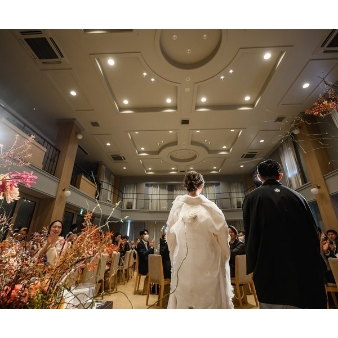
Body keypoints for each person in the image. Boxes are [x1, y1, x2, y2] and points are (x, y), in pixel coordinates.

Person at [242, 159, 327, 309]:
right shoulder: (298, 196)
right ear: (280, 176)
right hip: (304, 265)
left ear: (259, 177)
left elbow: (251, 234)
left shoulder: (251, 198)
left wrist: (253, 266)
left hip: (269, 265)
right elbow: (314, 233)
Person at [166, 171, 234, 309]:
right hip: (208, 259)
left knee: (185, 294)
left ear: (185, 186)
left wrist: (173, 253)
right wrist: (225, 255)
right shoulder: (211, 208)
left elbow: (170, 236)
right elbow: (222, 234)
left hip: (182, 260)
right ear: (202, 185)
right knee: (208, 294)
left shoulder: (178, 208)